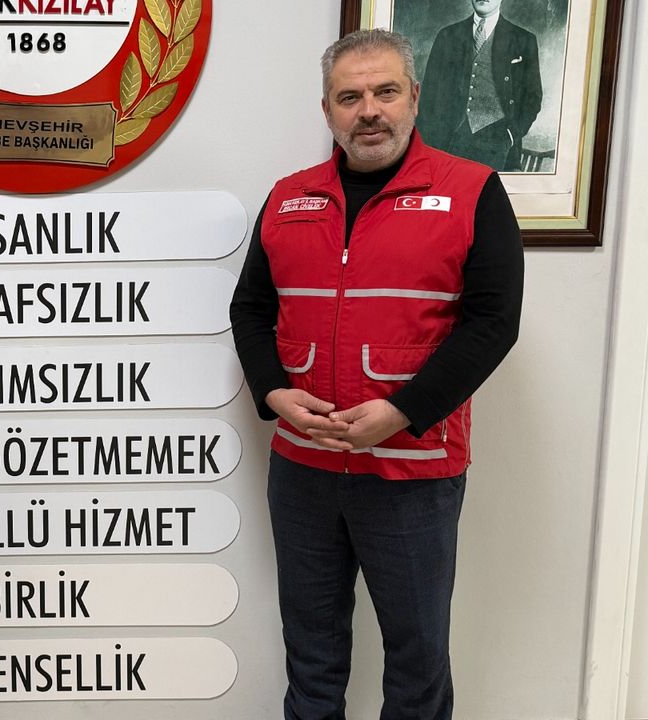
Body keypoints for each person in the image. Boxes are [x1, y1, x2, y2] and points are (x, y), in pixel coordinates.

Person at [229, 30, 523, 719]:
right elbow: (250, 309)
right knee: (312, 659)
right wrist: (273, 392)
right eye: (349, 96)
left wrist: (402, 411)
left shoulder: (471, 191)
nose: (369, 110)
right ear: (327, 110)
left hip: (412, 473)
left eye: (385, 91)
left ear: (414, 97)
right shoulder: (288, 198)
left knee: (417, 666)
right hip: (303, 471)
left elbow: (493, 323)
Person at [418, 0, 543, 170]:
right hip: (449, 143)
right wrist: (429, 145)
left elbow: (533, 97)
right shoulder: (447, 36)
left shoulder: (523, 39)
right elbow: (428, 97)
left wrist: (511, 135)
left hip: (498, 146)